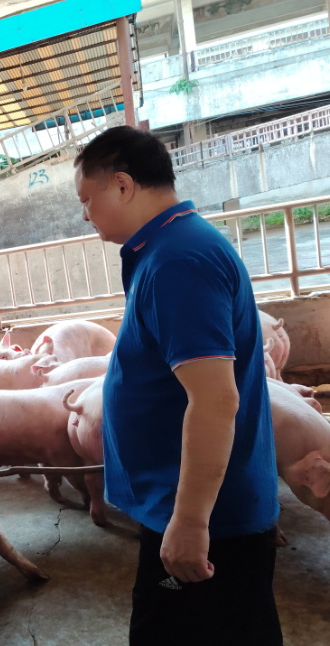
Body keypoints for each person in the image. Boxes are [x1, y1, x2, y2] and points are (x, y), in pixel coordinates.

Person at [73, 126, 282, 646]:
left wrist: (189, 522)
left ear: (123, 185)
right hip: (186, 504)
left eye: (87, 199)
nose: (86, 215)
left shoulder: (178, 263)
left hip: (205, 519)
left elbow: (214, 399)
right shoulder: (169, 247)